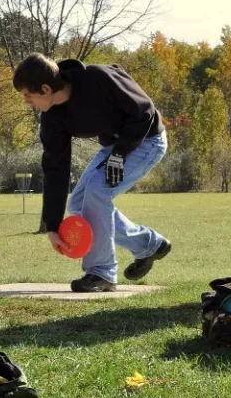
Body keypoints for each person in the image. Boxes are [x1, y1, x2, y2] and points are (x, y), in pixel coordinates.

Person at [13, 53, 171, 293]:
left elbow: (144, 112)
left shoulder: (98, 77)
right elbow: (55, 169)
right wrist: (53, 226)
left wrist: (119, 154)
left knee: (97, 191)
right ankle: (149, 245)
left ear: (45, 88)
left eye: (27, 95)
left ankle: (102, 273)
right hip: (114, 147)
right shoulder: (52, 118)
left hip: (147, 139)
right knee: (78, 204)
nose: (26, 102)